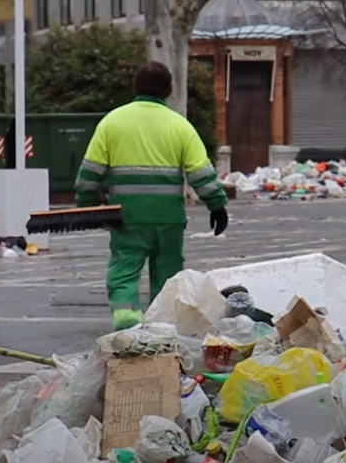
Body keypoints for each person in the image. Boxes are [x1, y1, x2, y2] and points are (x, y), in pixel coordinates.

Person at [74, 61, 230, 331]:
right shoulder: (180, 126)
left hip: (127, 218)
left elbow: (89, 173)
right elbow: (201, 173)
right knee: (168, 279)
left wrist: (88, 207)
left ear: (135, 87)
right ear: (169, 90)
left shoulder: (112, 122)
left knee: (124, 274)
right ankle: (161, 330)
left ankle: (128, 326)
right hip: (169, 219)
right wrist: (217, 205)